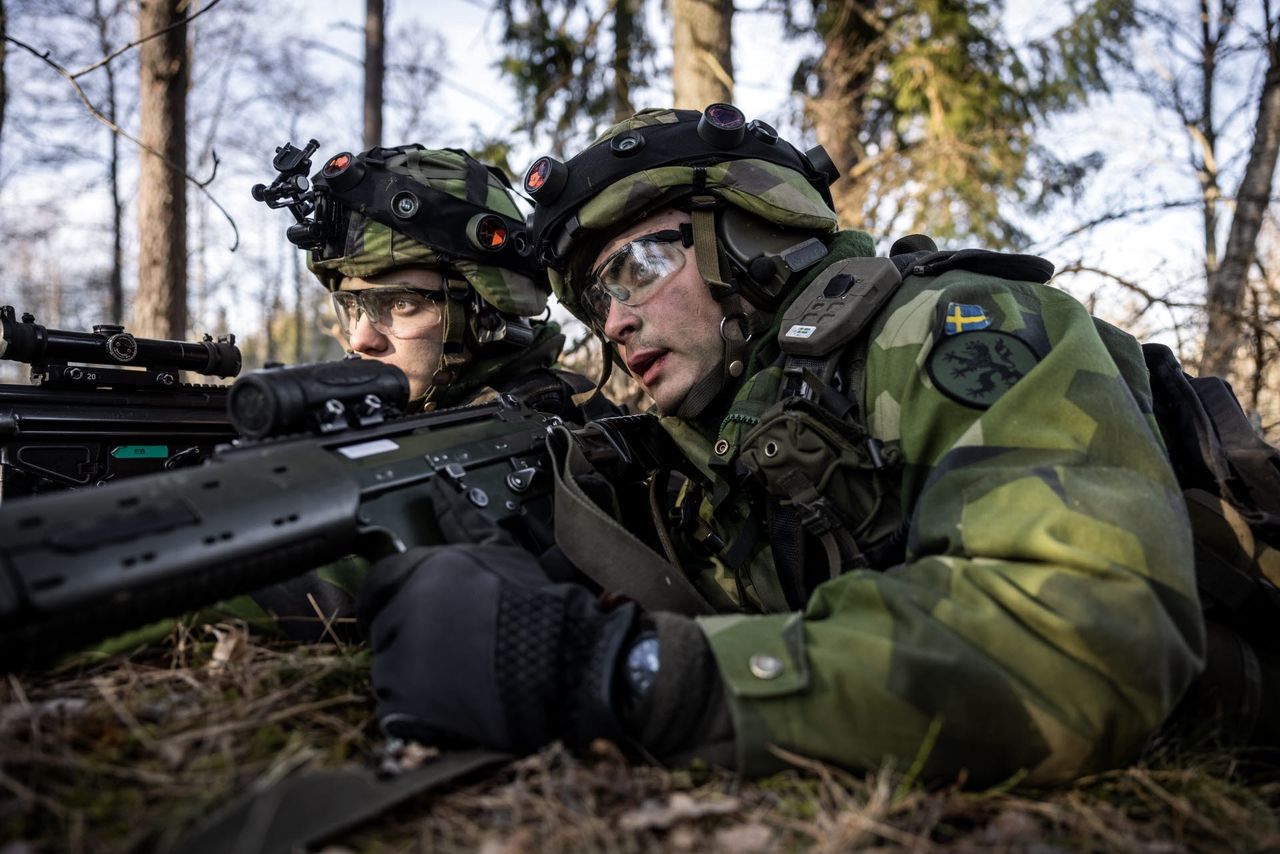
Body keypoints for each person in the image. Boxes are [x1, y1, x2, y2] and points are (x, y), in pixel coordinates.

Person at [356, 107, 1205, 785]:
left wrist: (639, 672)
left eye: (637, 266)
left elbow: (1090, 638)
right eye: (592, 298)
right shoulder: (697, 446)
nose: (611, 321)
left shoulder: (947, 329)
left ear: (753, 235)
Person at [242, 144, 618, 642]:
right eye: (350, 306)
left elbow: (354, 588)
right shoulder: (384, 408)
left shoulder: (555, 425)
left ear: (485, 309)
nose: (360, 339)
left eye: (399, 304)